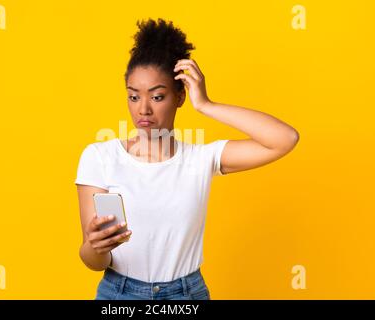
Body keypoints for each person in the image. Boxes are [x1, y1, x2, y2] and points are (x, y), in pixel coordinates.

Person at [75, 18, 299, 300]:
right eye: (133, 97)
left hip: (186, 295)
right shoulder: (99, 157)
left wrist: (206, 105)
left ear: (180, 96)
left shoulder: (201, 159)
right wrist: (97, 247)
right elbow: (93, 261)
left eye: (157, 97)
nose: (143, 109)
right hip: (119, 294)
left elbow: (284, 139)